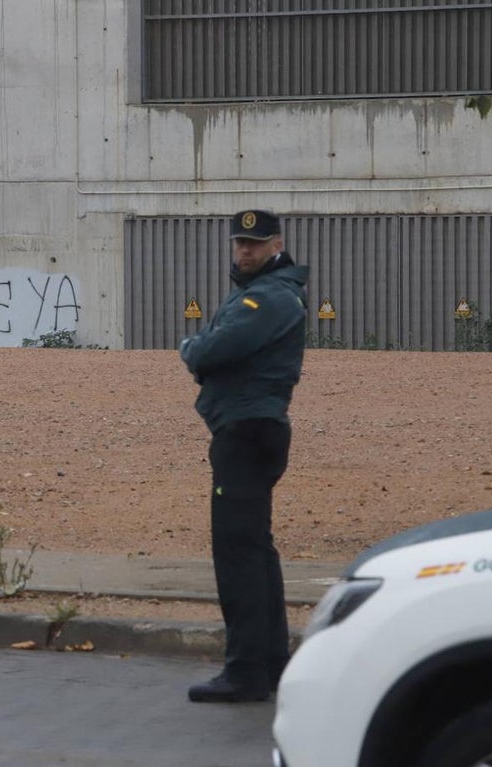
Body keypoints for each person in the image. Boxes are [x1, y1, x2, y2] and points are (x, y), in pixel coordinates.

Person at [179, 209, 309, 703]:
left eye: (254, 244)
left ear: (277, 244)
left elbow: (215, 350)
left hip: (247, 431)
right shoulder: (261, 294)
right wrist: (205, 348)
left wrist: (192, 348)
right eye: (239, 243)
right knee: (254, 550)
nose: (244, 251)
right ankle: (271, 664)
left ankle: (247, 671)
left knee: (238, 553)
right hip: (249, 429)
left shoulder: (269, 297)